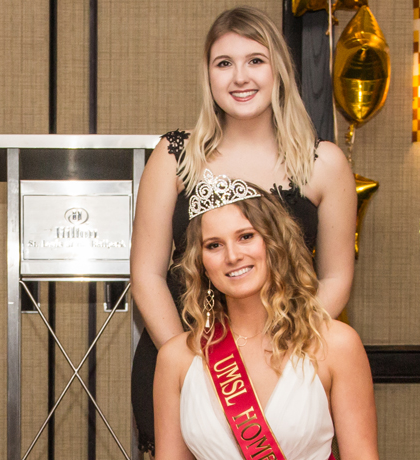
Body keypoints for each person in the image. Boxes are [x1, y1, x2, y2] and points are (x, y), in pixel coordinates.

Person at [130, 6, 356, 453]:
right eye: (224, 63)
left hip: (294, 366)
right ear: (208, 76)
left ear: (279, 70)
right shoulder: (175, 156)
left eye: (255, 60)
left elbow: (336, 276)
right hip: (188, 358)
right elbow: (146, 273)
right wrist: (190, 361)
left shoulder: (323, 163)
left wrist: (289, 350)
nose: (240, 77)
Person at [153, 172, 377, 460]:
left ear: (275, 245)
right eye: (214, 245)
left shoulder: (336, 344)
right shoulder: (176, 358)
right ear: (201, 264)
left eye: (246, 237)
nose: (232, 256)